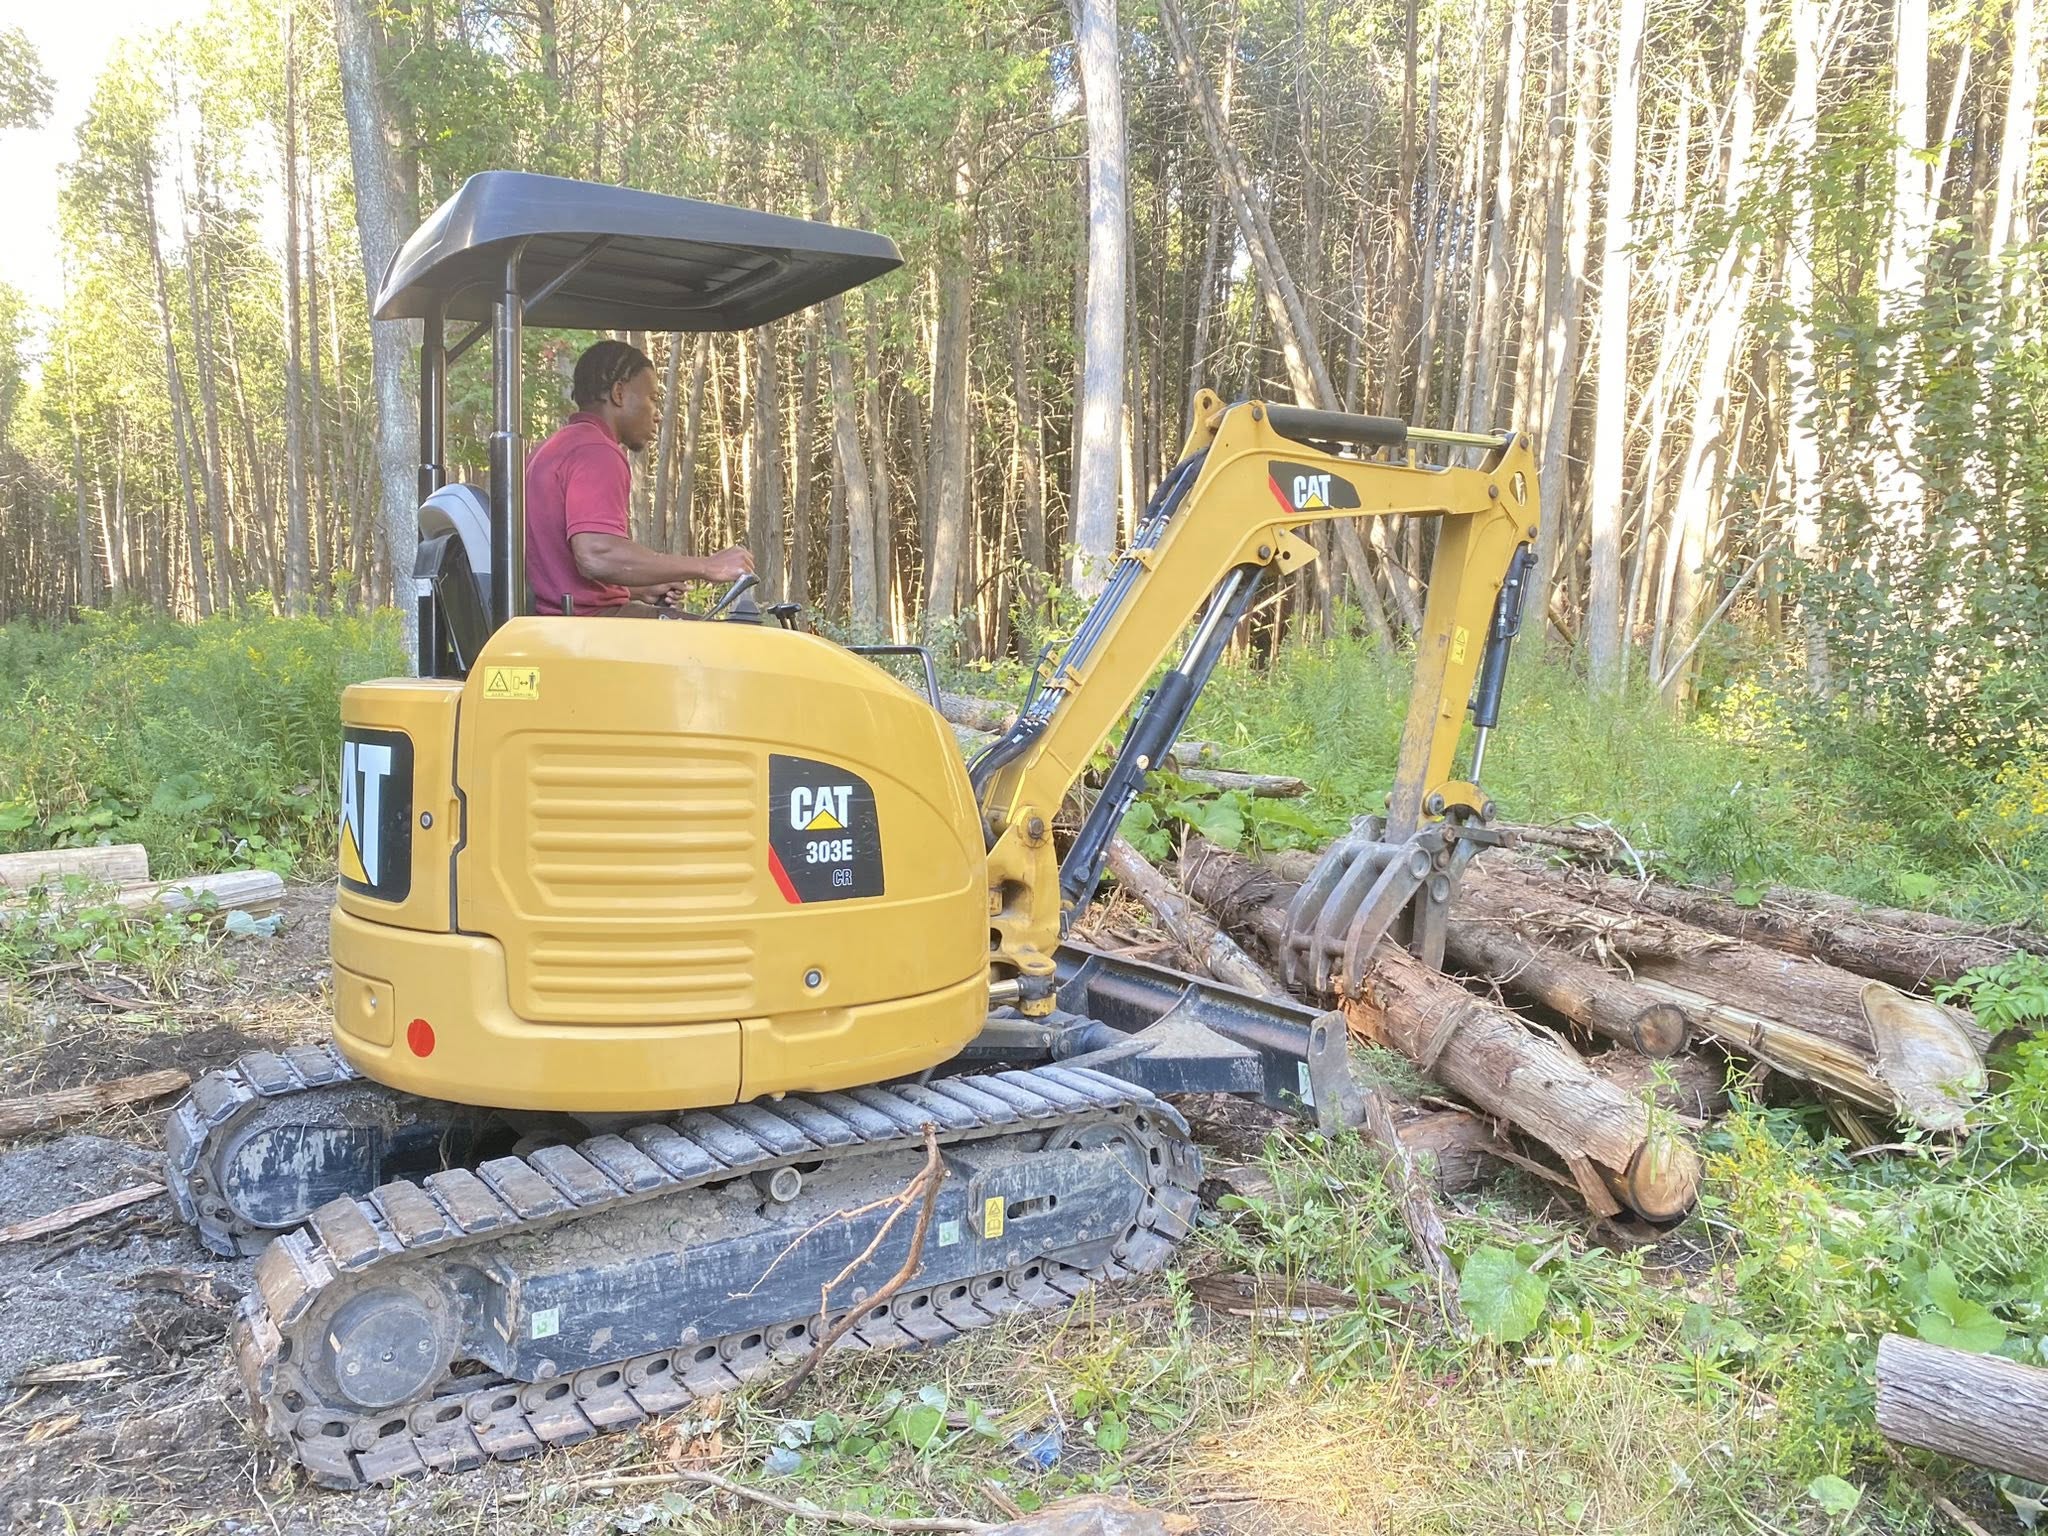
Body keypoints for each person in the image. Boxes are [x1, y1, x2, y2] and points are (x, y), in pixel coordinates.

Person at [525, 339, 752, 615]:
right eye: (652, 398)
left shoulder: (554, 448)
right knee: (731, 646)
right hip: (585, 631)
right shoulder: (597, 451)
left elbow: (559, 571)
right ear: (619, 393)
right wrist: (707, 566)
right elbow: (596, 554)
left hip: (555, 624)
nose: (657, 415)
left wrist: (636, 588)